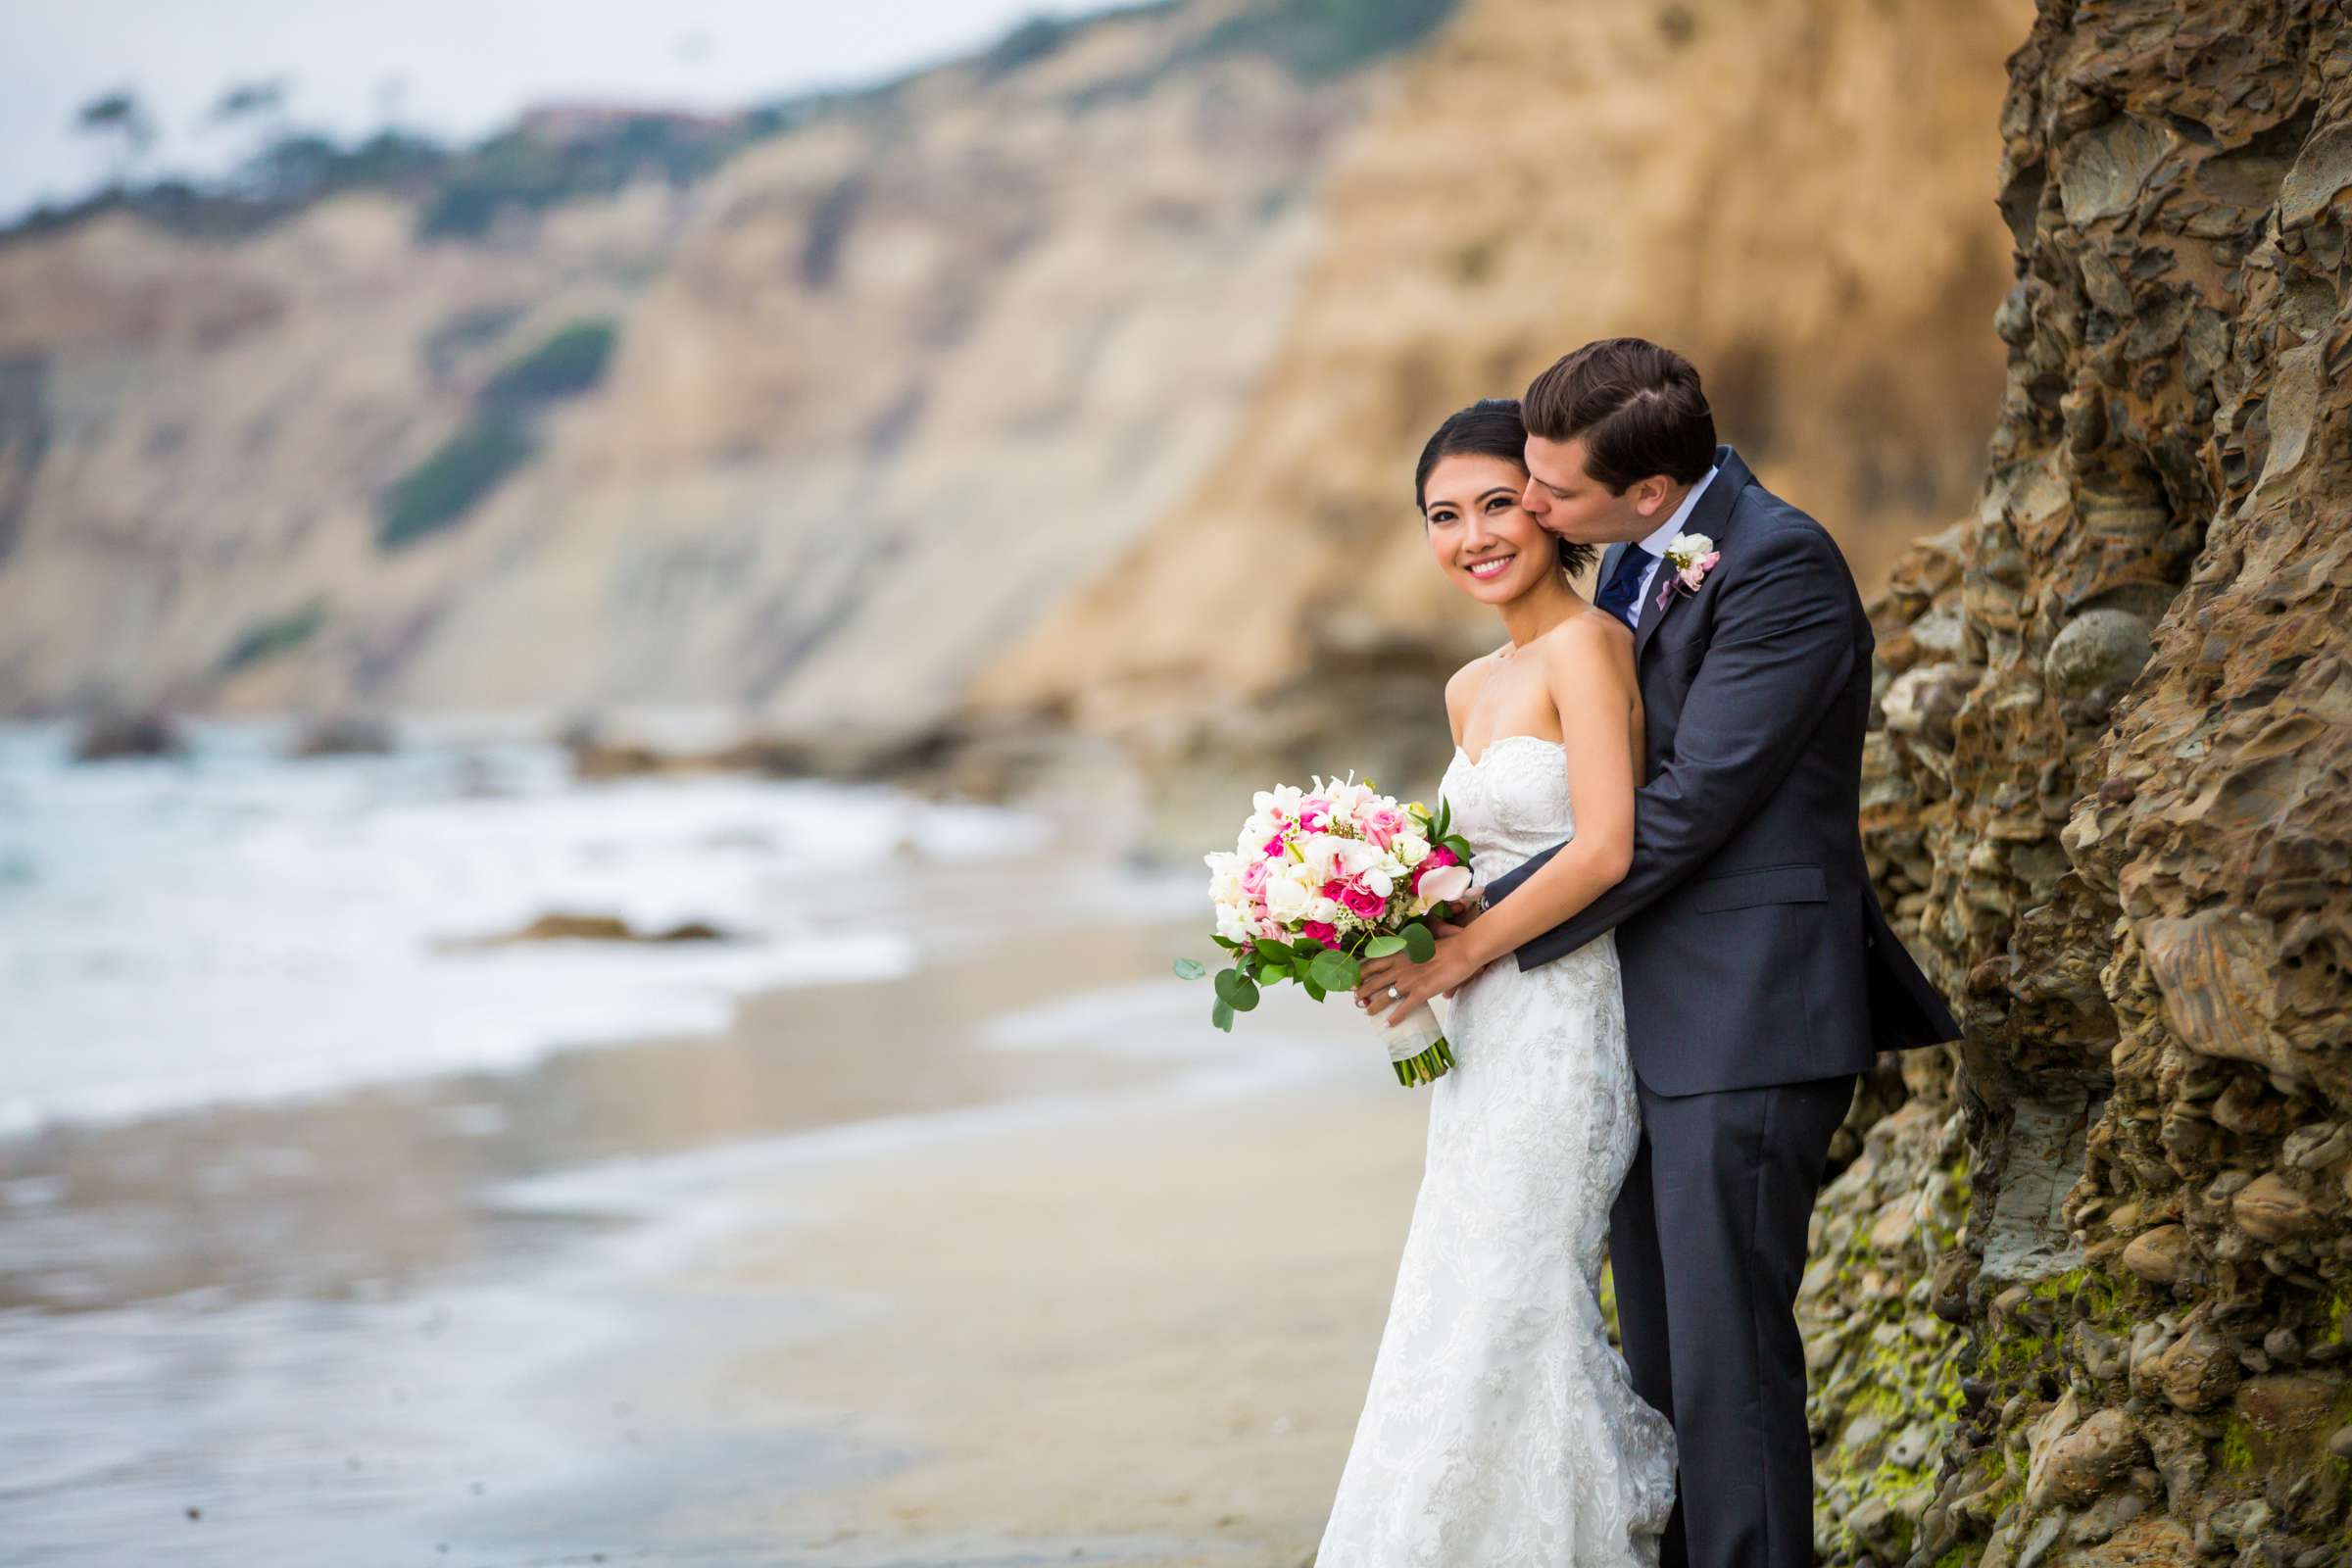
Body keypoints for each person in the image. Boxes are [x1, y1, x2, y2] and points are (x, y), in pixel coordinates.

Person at [1356, 338, 1960, 1568]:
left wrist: (1470, 940)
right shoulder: (1632, 568)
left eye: (1544, 491)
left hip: (1745, 1011)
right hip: (1621, 1020)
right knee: (1670, 1360)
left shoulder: (1778, 563)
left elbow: (1686, 806)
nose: (1526, 507)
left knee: (1729, 1356)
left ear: (1640, 495)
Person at [1314, 397, 1676, 1567]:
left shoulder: (1592, 645)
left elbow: (1608, 845)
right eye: (1442, 515)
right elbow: (1464, 868)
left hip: (1566, 1012)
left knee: (1525, 1286)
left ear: (1550, 507)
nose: (1472, 535)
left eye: (1495, 505)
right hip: (1477, 1029)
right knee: (1459, 1277)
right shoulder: (1472, 686)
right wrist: (1375, 919)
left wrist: (1466, 948)